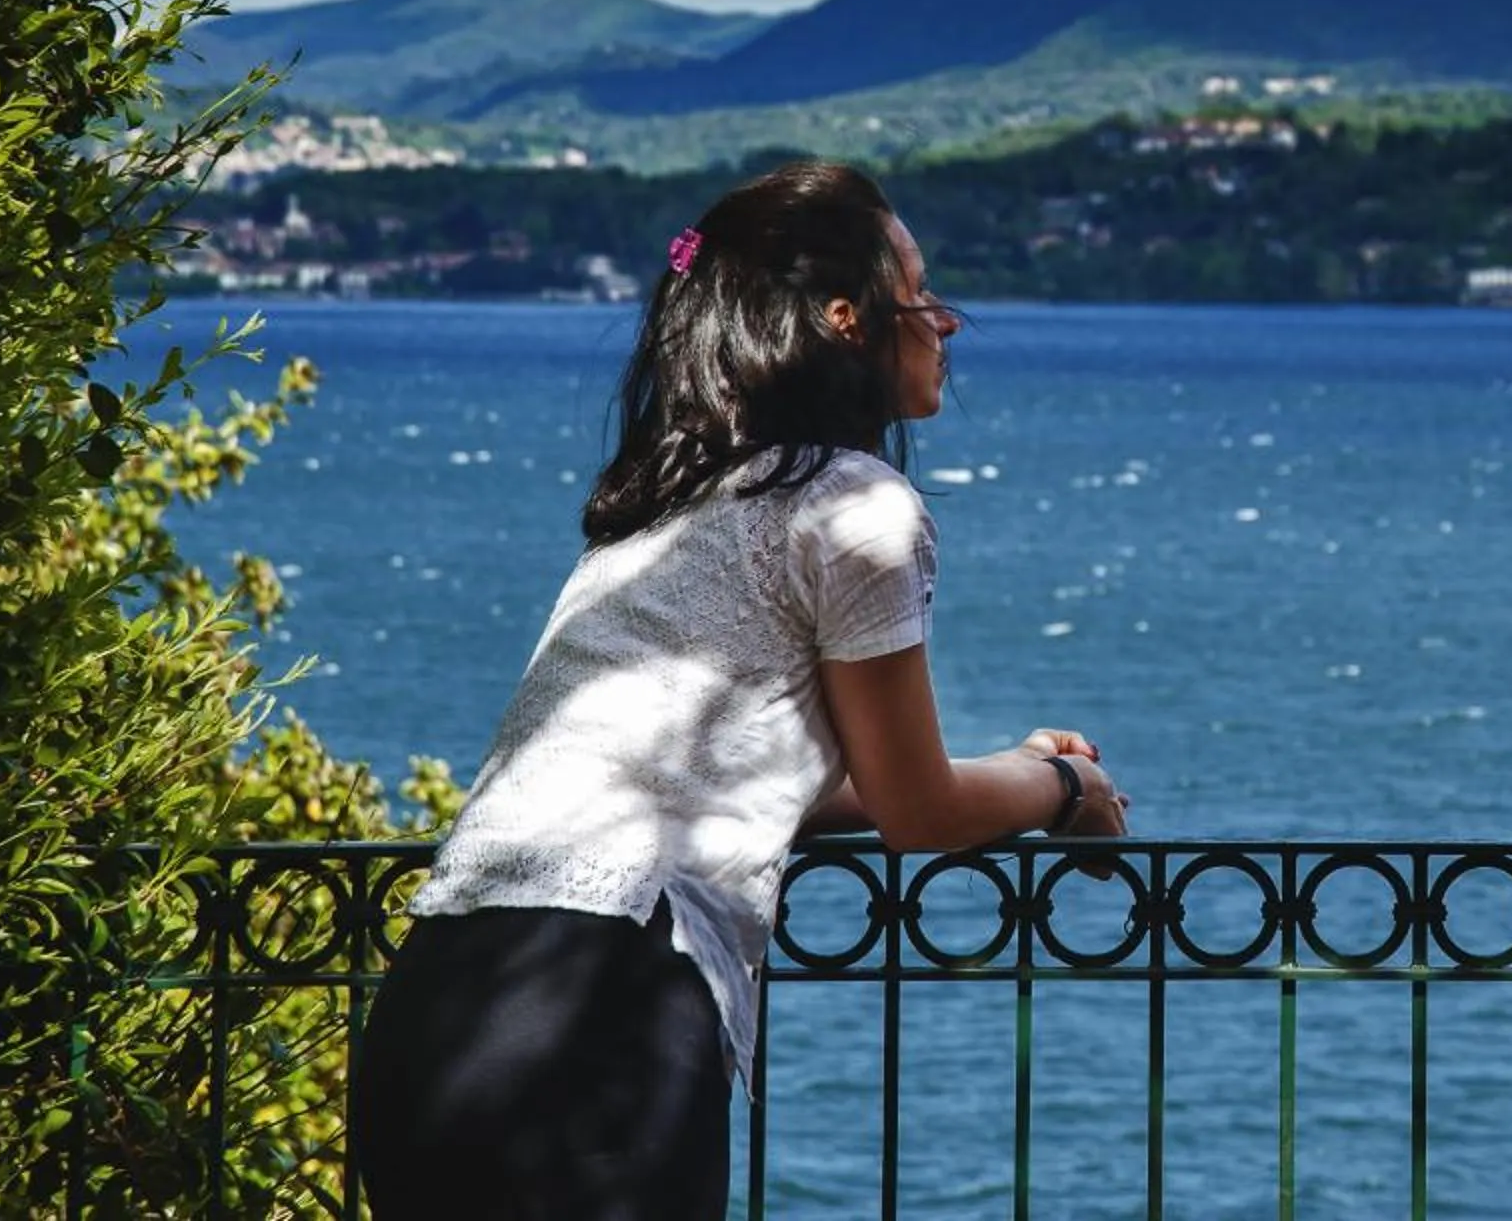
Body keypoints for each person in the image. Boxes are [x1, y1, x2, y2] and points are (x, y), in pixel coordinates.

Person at [351, 159, 1128, 1219]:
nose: (945, 320)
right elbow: (920, 813)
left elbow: (746, 773)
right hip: (603, 1016)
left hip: (437, 1011)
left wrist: (997, 771)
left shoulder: (660, 513)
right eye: (920, 292)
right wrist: (1064, 787)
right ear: (848, 318)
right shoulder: (855, 505)